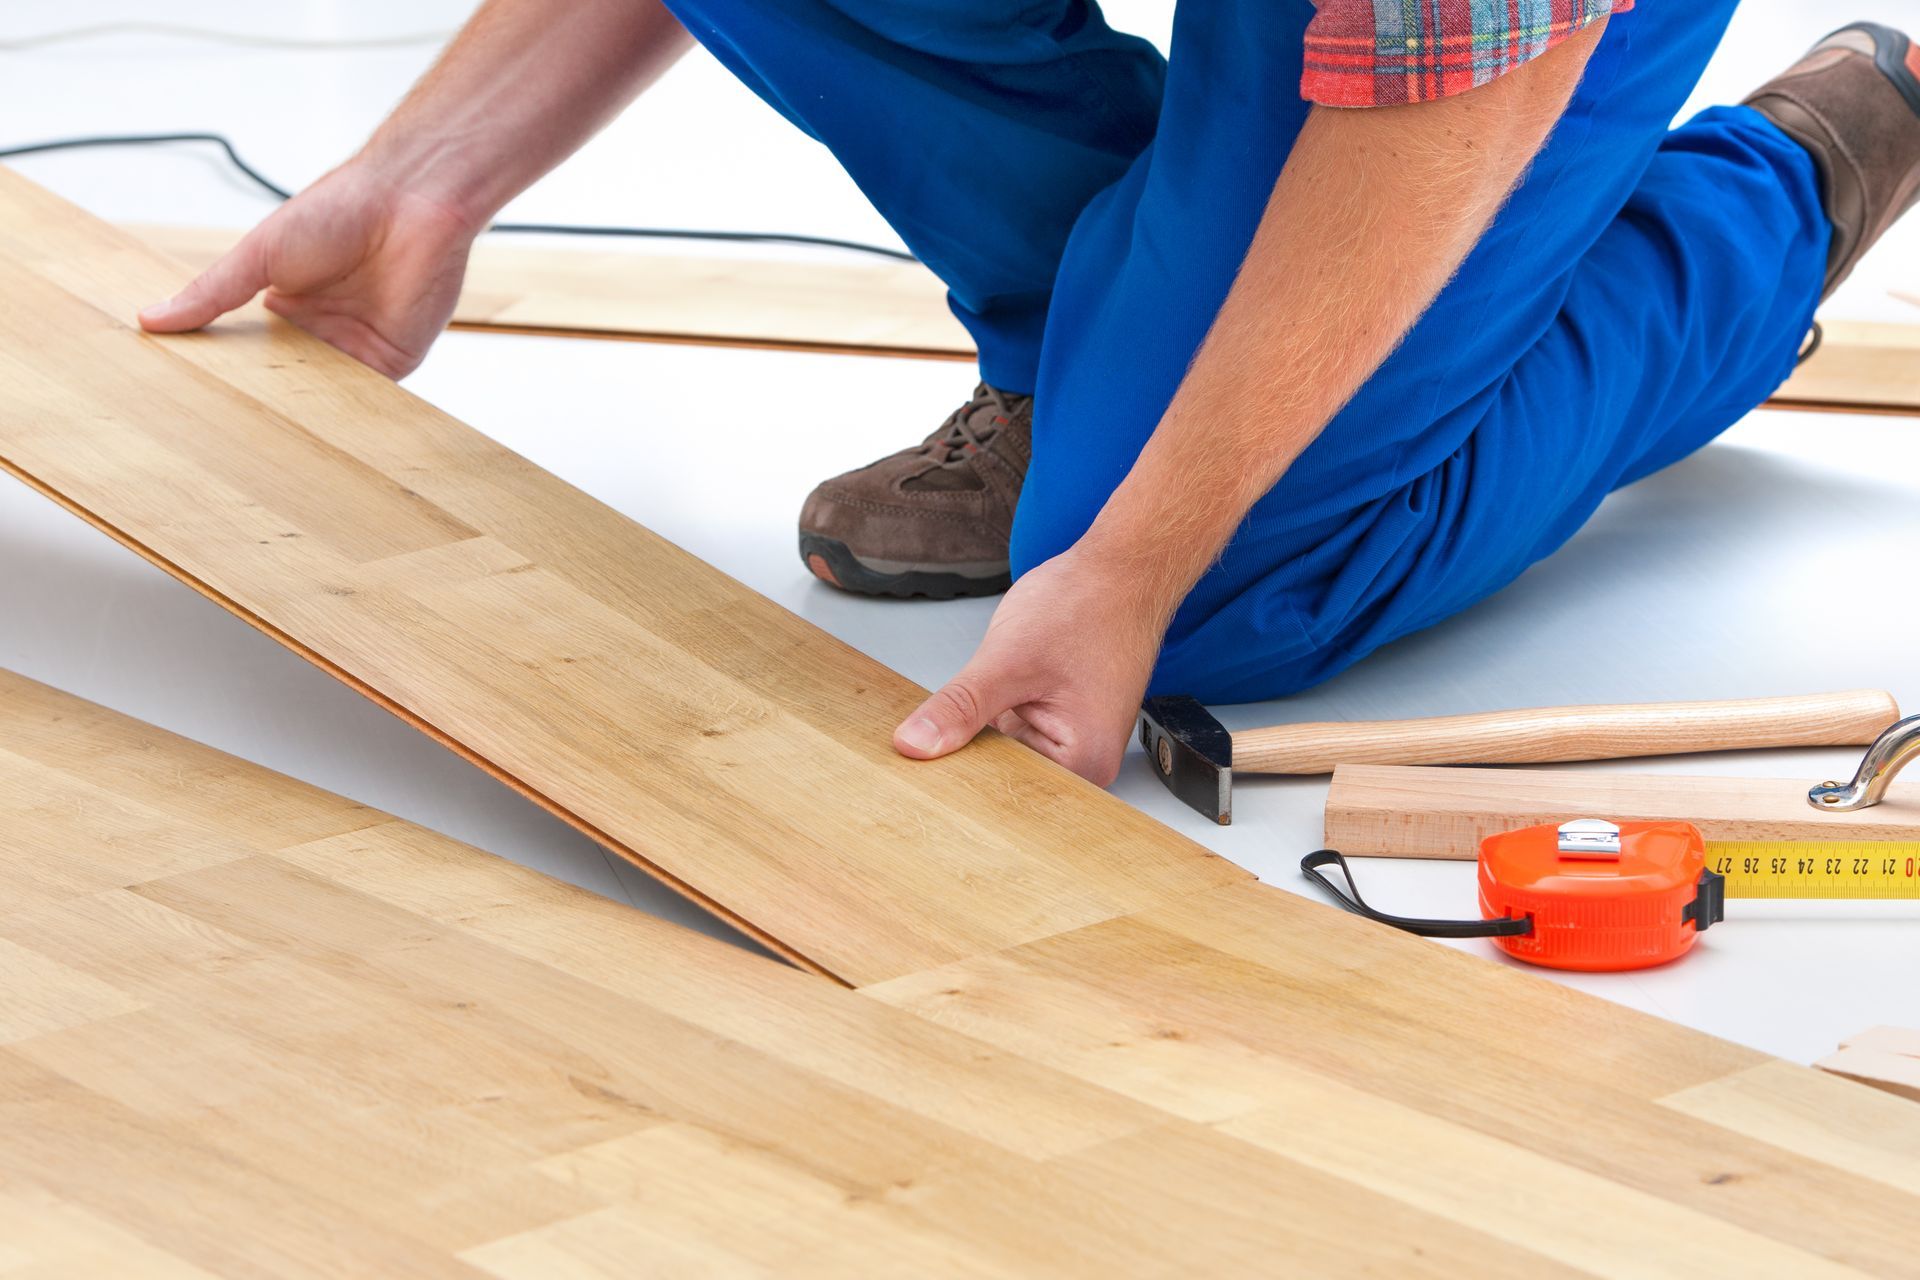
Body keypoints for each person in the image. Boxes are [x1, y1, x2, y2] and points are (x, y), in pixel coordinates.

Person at [140, 5, 1920, 786]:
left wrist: (1140, 553)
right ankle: (1095, 358)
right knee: (1149, 463)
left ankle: (1781, 183)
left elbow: (1442, 74)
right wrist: (428, 172)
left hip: (1469, 33)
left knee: (1227, 590)